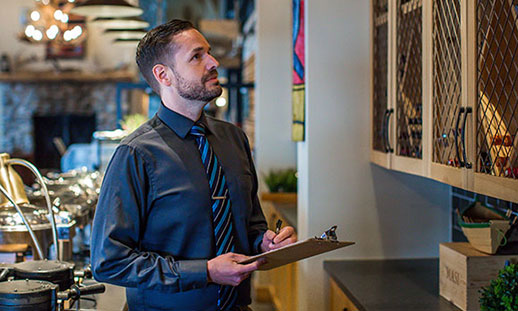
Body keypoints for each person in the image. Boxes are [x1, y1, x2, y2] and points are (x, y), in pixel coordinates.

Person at [90, 19, 297, 311]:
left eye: (209, 52)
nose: (213, 62)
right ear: (164, 75)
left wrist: (265, 241)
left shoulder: (234, 138)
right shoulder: (135, 154)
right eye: (197, 56)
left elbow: (250, 225)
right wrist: (207, 271)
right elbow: (108, 260)